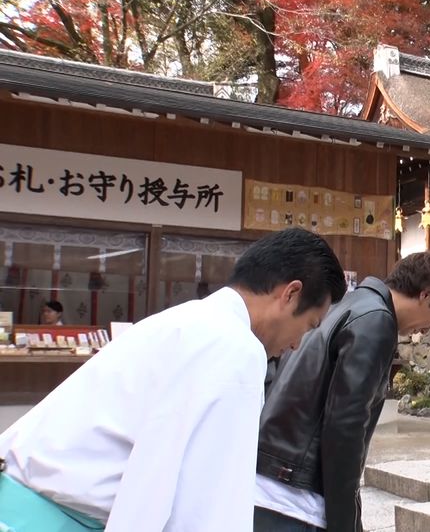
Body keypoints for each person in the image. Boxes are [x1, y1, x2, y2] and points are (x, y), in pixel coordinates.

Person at [0, 228, 347, 532]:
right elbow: (205, 505)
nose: (296, 345)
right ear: (290, 294)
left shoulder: (187, 321)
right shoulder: (236, 349)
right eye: (309, 326)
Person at [254, 251, 430, 532]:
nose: (425, 331)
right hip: (296, 499)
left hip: (268, 482)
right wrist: (346, 524)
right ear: (427, 295)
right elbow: (345, 428)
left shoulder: (345, 304)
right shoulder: (376, 320)